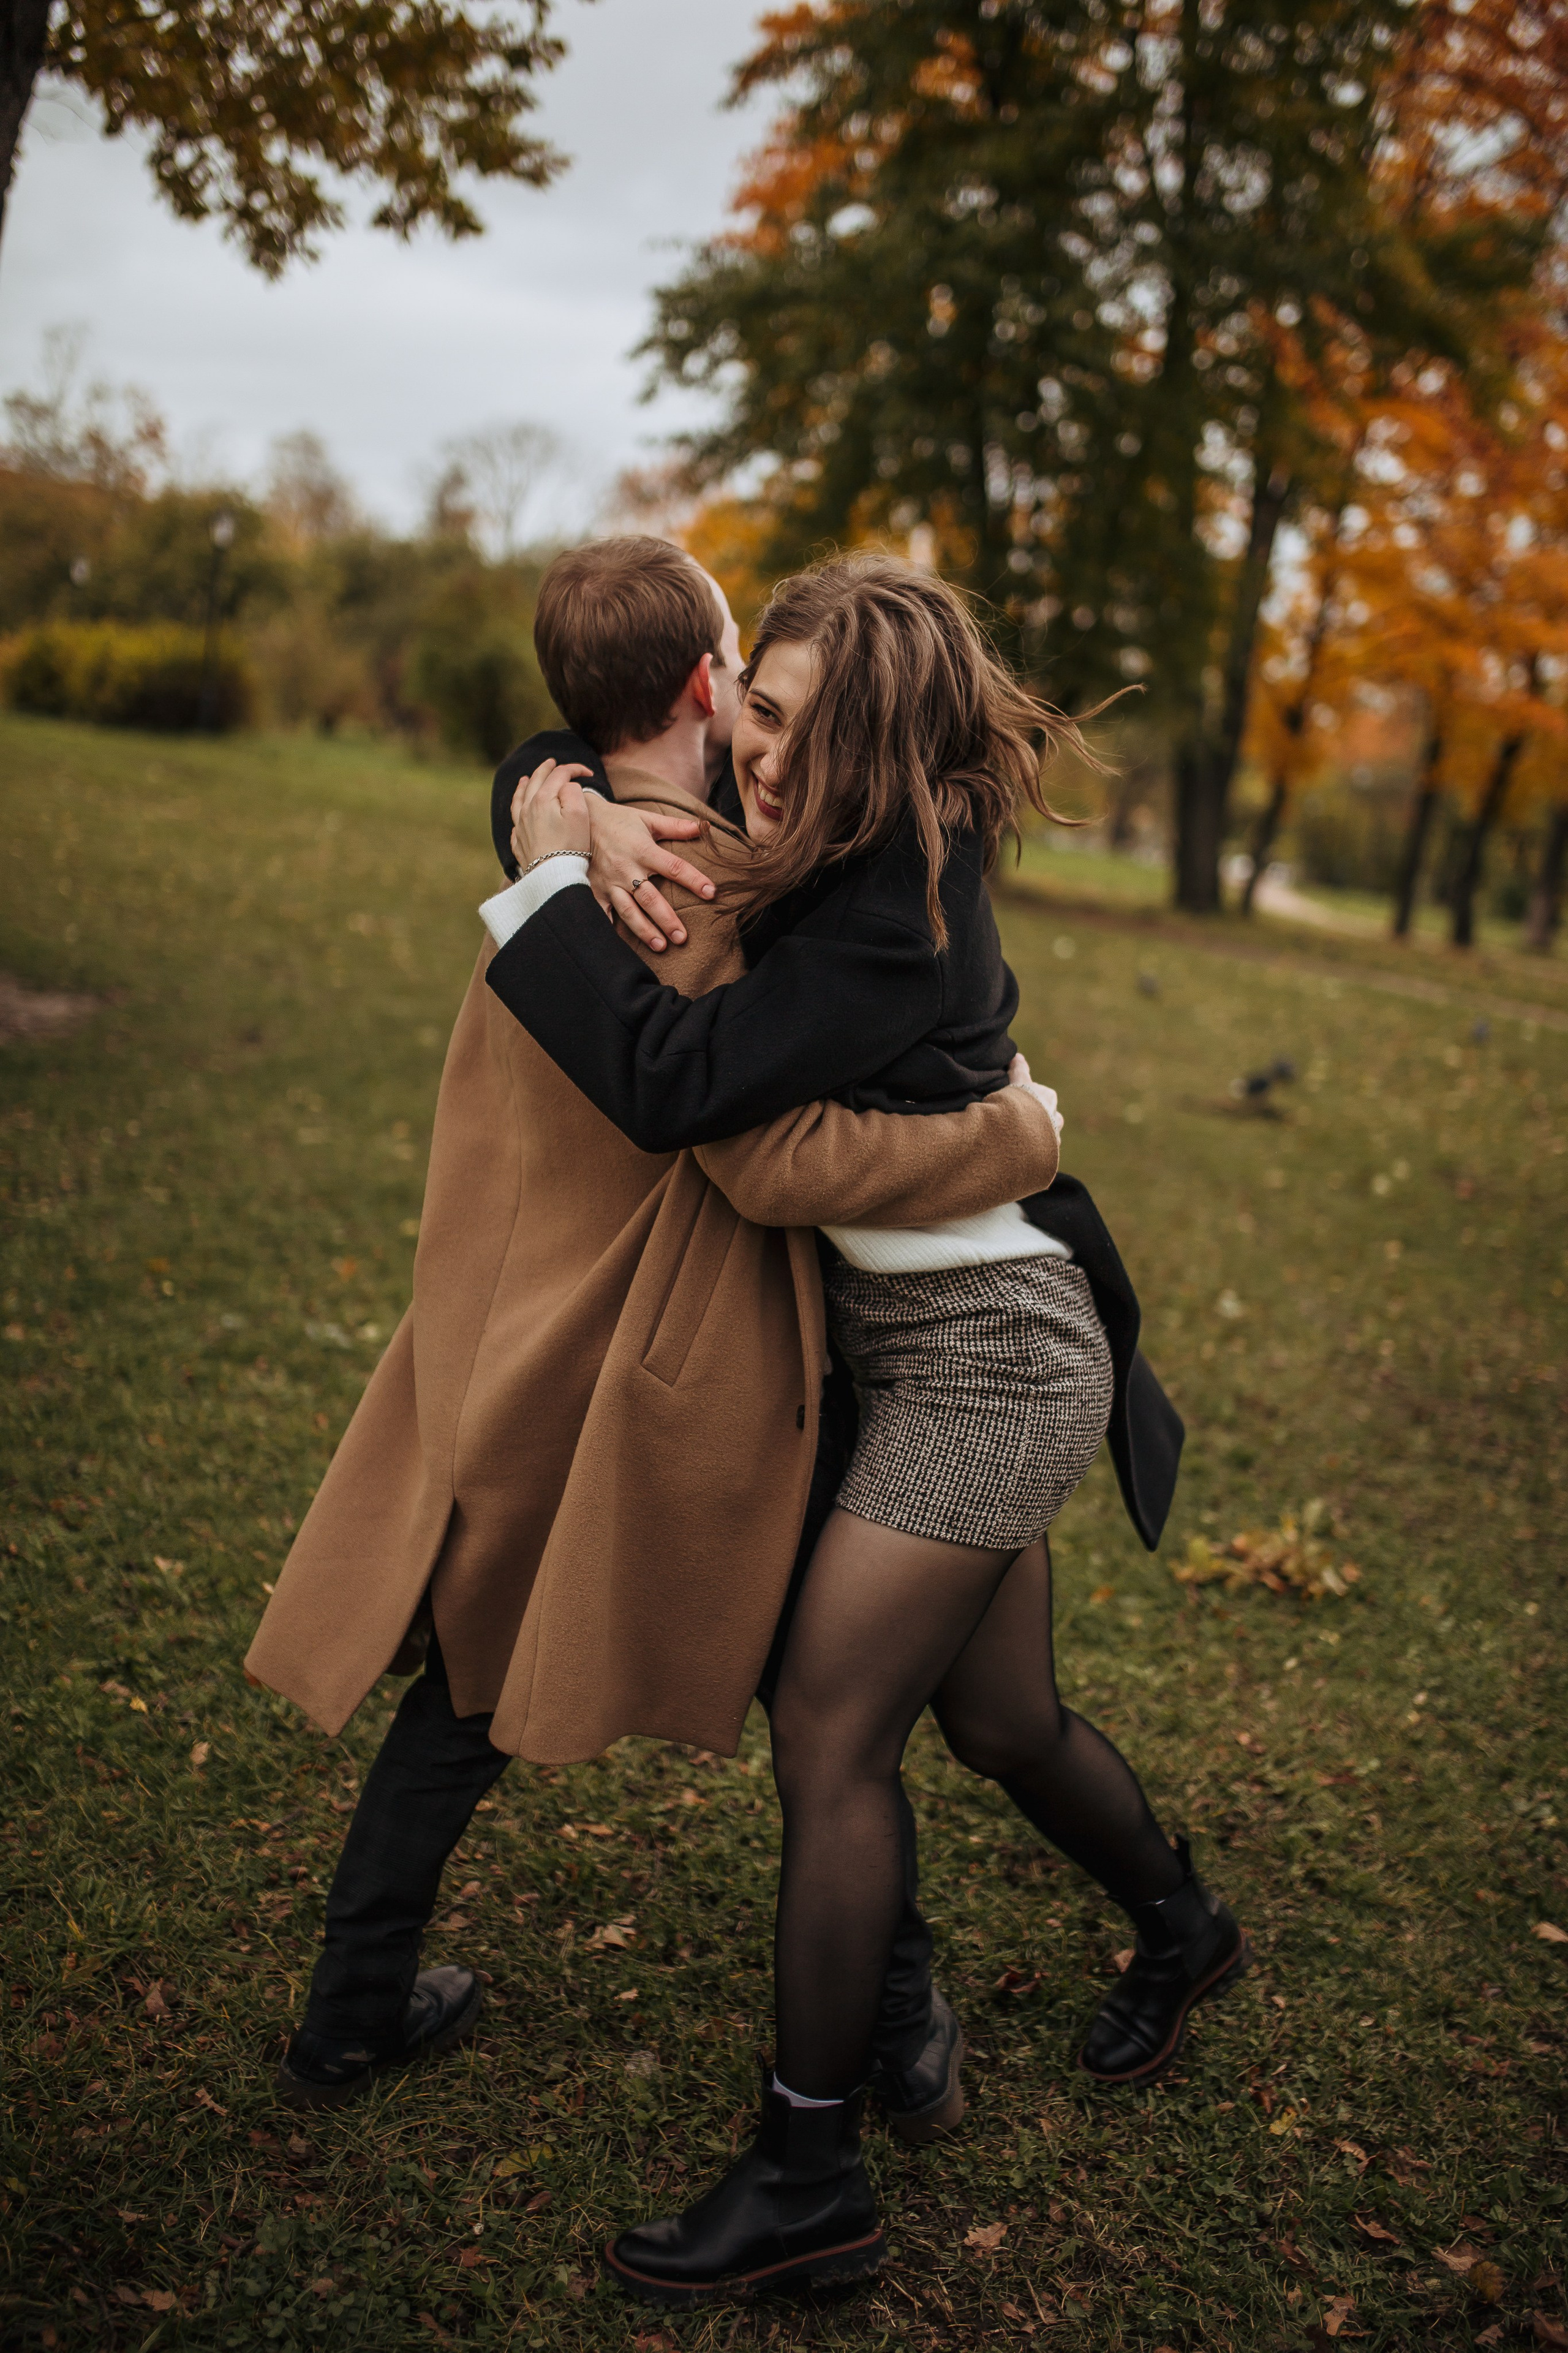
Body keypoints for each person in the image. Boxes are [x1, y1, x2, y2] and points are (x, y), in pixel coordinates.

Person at [494, 554, 1249, 2308]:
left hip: (992, 1350)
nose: (764, 760)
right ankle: (1188, 1926)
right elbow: (578, 734)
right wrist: (570, 813)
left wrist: (547, 889)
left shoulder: (897, 905)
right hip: (907, 1340)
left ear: (894, 762)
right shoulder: (812, 822)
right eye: (760, 710)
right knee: (1000, 1719)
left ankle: (810, 2169)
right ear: (731, 680)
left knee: (832, 1727)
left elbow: (691, 1096)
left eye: (812, 741)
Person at [245, 537, 1065, 2117]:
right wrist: (1016, 1136)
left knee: (470, 1701)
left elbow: (551, 785)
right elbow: (753, 1140)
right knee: (821, 1711)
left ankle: (350, 2011)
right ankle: (897, 2030)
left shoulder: (559, 850)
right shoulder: (700, 886)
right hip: (656, 1356)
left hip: (512, 1311)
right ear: (710, 683)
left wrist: (552, 808)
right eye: (747, 685)